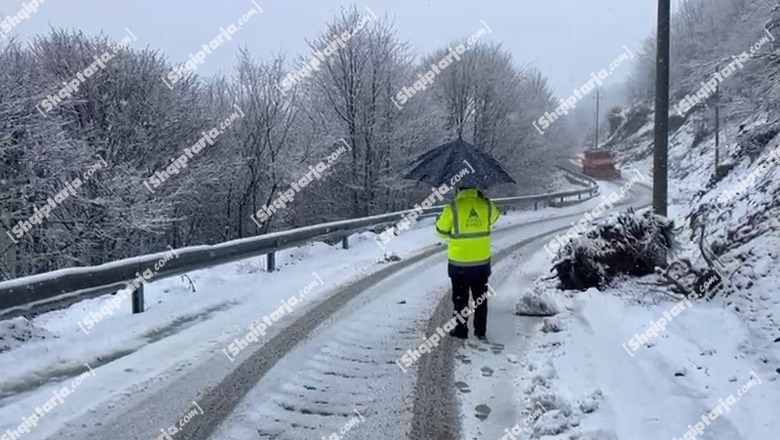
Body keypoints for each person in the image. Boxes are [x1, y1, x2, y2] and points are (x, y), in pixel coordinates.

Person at [435, 186, 499, 340]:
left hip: (459, 264)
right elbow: (495, 218)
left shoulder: (452, 208)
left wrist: (439, 219)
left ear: (459, 189)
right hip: (481, 263)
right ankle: (480, 330)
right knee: (480, 298)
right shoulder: (486, 205)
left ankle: (461, 330)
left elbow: (440, 232)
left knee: (460, 298)